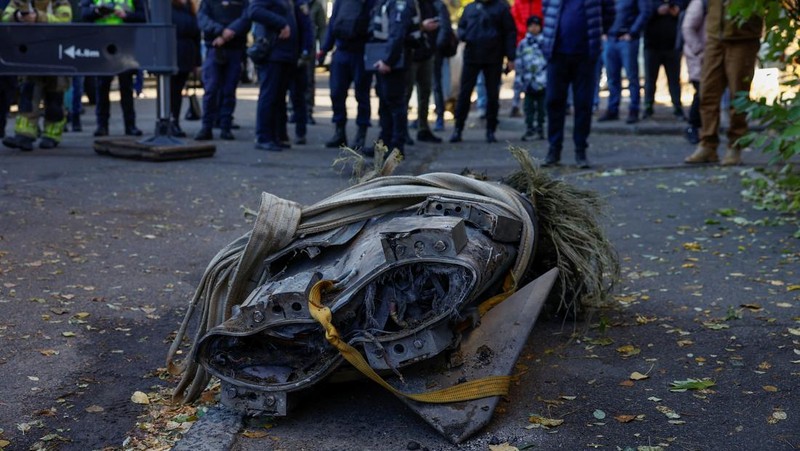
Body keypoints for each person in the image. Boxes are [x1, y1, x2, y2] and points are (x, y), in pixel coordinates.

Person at [684, 0, 761, 166]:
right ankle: (707, 144)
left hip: (743, 37)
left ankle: (735, 145)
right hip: (714, 36)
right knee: (707, 93)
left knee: (738, 95)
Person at [541, 0, 614, 168]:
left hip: (586, 55)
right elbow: (546, 10)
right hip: (556, 53)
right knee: (553, 101)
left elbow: (609, 11)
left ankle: (580, 150)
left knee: (583, 104)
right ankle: (554, 149)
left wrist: (597, 34)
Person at [2, 0, 72, 151]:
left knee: (55, 99)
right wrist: (18, 16)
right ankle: (25, 135)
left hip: (57, 55)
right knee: (28, 95)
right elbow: (5, 17)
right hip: (31, 54)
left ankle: (51, 135)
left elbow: (65, 20)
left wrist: (38, 17)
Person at [449, 0, 516, 144]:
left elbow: (509, 32)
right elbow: (461, 27)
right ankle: (458, 128)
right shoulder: (470, 8)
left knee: (492, 95)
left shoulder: (501, 8)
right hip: (472, 56)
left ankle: (491, 129)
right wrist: (464, 35)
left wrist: (510, 56)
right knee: (465, 93)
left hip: (494, 57)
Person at [363, 0, 424, 155]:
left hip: (394, 61)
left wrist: (388, 60)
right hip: (386, 57)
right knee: (385, 104)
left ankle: (396, 147)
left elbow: (397, 34)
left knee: (395, 104)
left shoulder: (400, 4)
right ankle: (383, 145)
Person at [250, 0, 311, 151]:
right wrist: (281, 23)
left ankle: (275, 136)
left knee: (279, 98)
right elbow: (254, 11)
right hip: (273, 53)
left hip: (286, 55)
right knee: (269, 96)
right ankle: (263, 136)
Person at [81, 0, 147, 137]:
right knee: (102, 85)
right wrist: (97, 12)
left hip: (125, 42)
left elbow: (143, 15)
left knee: (126, 85)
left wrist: (126, 16)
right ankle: (102, 125)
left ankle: (130, 125)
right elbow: (84, 13)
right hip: (102, 41)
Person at [318, 0, 376, 149]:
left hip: (361, 52)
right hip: (342, 51)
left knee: (361, 95)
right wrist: (325, 49)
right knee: (337, 93)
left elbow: (374, 24)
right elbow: (333, 24)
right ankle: (339, 132)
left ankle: (360, 135)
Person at [195, 0, 250, 141]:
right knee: (211, 88)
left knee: (229, 90)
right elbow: (202, 19)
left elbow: (246, 18)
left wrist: (229, 32)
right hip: (214, 47)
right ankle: (207, 126)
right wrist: (220, 31)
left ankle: (225, 126)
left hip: (235, 49)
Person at [596, 0, 650, 124]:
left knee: (632, 77)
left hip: (627, 40)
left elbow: (645, 12)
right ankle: (612, 108)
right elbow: (600, 10)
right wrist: (603, 32)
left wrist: (632, 32)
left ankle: (634, 109)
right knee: (612, 77)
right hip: (610, 39)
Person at [404, 0, 443, 143]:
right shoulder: (407, 4)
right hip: (411, 54)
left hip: (426, 52)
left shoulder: (430, 4)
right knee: (406, 94)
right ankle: (402, 131)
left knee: (425, 93)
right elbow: (402, 26)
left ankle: (423, 128)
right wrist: (422, 27)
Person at [642, 0, 684, 120]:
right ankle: (648, 107)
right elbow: (642, 14)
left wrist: (677, 9)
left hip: (672, 46)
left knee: (674, 80)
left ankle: (677, 107)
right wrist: (656, 11)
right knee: (650, 79)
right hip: (651, 45)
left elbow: (685, 8)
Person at [170, 0, 201, 138]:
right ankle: (170, 121)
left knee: (177, 90)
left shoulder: (189, 8)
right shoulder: (169, 8)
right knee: (172, 91)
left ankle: (174, 121)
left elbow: (196, 35)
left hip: (186, 54)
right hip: (172, 53)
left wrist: (197, 61)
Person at [514, 15, 546, 141]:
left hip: (542, 81)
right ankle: (529, 127)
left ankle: (540, 127)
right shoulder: (523, 44)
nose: (534, 28)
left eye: (536, 26)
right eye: (531, 26)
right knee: (528, 107)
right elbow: (519, 62)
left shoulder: (544, 42)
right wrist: (519, 80)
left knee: (542, 108)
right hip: (528, 81)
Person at [509, 0, 542, 117]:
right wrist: (526, 30)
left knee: (540, 79)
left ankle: (540, 106)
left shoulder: (540, 3)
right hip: (521, 45)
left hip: (539, 46)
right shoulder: (518, 4)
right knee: (519, 78)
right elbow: (513, 21)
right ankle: (515, 105)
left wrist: (537, 30)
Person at [680, 0, 705, 144]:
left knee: (705, 95)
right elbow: (687, 28)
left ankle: (701, 129)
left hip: (708, 57)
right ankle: (693, 127)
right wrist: (700, 51)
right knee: (701, 93)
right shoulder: (700, 3)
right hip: (699, 58)